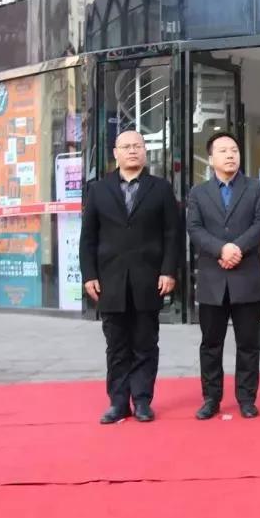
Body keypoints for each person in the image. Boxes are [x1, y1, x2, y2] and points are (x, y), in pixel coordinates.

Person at [80, 130, 180, 424]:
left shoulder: (160, 188)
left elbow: (172, 234)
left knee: (145, 343)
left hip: (149, 278)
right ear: (116, 153)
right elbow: (88, 237)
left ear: (145, 151)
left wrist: (168, 270)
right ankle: (118, 402)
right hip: (109, 280)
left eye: (137, 146)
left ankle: (143, 400)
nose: (132, 151)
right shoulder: (98, 190)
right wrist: (89, 274)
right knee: (116, 345)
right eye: (126, 147)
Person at [187, 133, 260, 420]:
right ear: (211, 159)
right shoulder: (198, 193)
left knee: (248, 343)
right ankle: (211, 398)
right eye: (223, 151)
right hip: (212, 278)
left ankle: (246, 398)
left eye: (234, 150)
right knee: (211, 344)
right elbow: (195, 229)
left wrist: (237, 248)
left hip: (245, 275)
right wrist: (221, 249)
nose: (230, 155)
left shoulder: (255, 187)